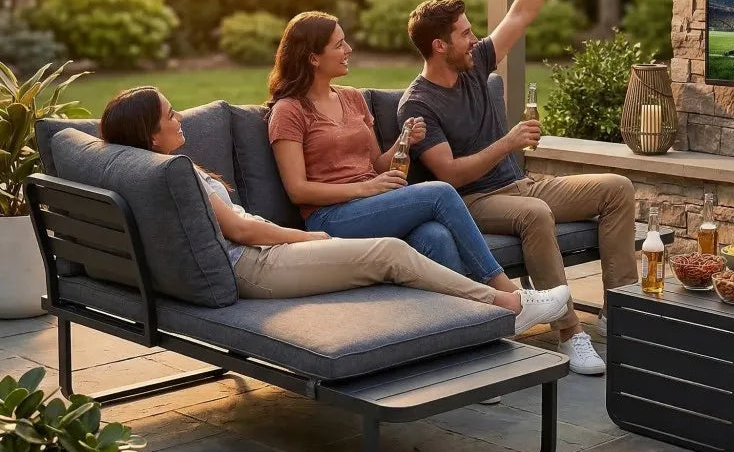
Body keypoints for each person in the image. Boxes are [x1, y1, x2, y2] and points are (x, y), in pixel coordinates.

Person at [99, 87, 567, 331]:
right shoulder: (174, 172)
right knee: (388, 253)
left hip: (267, 251)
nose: (179, 118)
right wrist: (312, 237)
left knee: (430, 238)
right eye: (169, 116)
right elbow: (241, 231)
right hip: (259, 262)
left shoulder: (164, 168)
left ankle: (469, 334)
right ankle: (508, 303)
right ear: (149, 135)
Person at [397, 0, 637, 376]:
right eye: (465, 34)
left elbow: (520, 14)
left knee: (616, 188)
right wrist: (507, 142)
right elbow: (449, 176)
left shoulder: (473, 65)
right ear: (438, 45)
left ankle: (622, 314)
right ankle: (572, 333)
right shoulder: (419, 103)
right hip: (474, 201)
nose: (475, 39)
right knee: (536, 215)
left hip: (521, 184)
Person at [264, 12, 569, 333]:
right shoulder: (289, 111)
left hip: (370, 207)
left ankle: (469, 329)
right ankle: (512, 296)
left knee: (435, 237)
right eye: (339, 45)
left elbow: (376, 166)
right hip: (329, 218)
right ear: (313, 57)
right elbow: (298, 190)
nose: (349, 49)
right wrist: (367, 189)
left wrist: (403, 142)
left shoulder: (352, 99)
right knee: (439, 192)